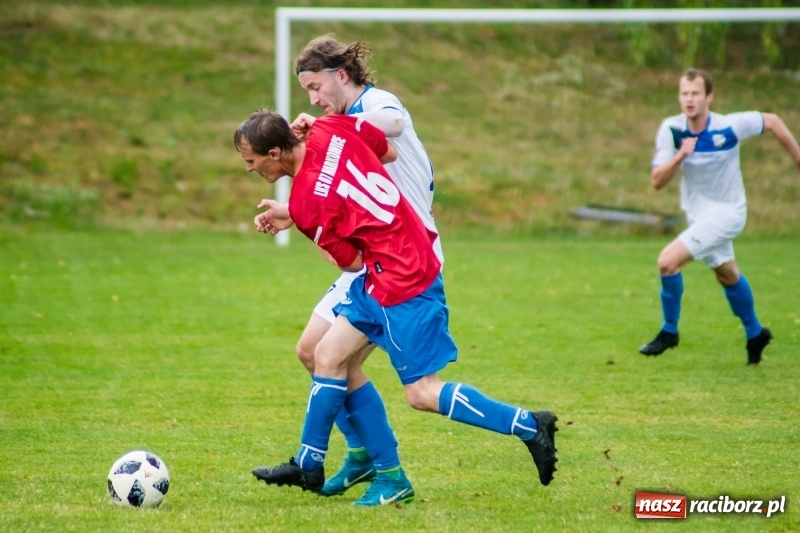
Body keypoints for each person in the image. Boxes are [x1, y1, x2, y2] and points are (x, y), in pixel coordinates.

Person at [233, 109, 558, 506]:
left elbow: (351, 262)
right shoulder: (331, 127)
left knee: (422, 393)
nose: (249, 169)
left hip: (402, 279)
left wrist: (309, 226)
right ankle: (333, 465)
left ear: (276, 152)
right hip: (396, 261)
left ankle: (527, 424)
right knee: (326, 355)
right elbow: (386, 152)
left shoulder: (305, 202)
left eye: (251, 160)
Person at [255, 36, 446, 503]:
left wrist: (331, 122)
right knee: (313, 351)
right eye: (308, 93)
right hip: (377, 249)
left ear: (342, 75)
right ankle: (362, 457)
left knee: (353, 365)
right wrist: (292, 212)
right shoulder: (336, 125)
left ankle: (379, 466)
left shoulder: (375, 104)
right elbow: (334, 187)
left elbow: (393, 124)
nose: (314, 100)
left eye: (317, 87)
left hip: (398, 253)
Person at [639, 68, 800, 364]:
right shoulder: (671, 130)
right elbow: (657, 182)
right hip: (698, 216)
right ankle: (755, 332)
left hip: (729, 214)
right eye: (684, 94)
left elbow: (773, 121)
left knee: (667, 262)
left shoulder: (729, 126)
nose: (689, 99)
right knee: (727, 275)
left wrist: (797, 155)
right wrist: (680, 156)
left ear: (709, 97)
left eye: (695, 94)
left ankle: (669, 330)